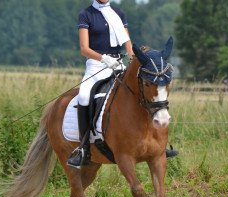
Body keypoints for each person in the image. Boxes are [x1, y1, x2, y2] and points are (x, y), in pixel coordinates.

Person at [67, 0, 178, 168]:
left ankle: (157, 146)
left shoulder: (118, 14)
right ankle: (83, 149)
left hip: (118, 65)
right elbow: (84, 48)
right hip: (96, 66)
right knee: (83, 96)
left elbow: (128, 45)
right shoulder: (87, 14)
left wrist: (137, 58)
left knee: (144, 92)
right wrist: (104, 58)